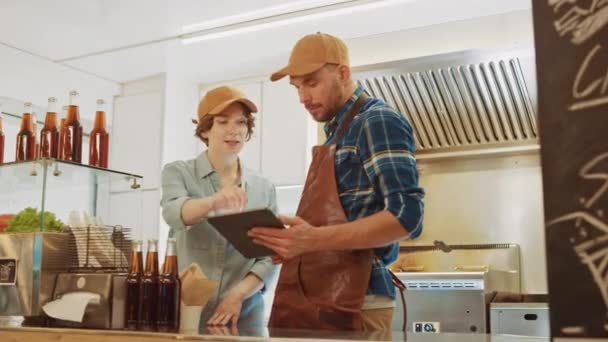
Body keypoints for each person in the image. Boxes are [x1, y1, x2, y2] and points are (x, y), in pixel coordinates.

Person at [248, 32, 425, 331]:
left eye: (312, 83)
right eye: (297, 86)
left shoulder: (376, 120)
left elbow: (407, 217)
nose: (303, 97)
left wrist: (312, 239)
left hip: (359, 302)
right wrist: (295, 245)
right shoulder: (337, 131)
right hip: (325, 299)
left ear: (342, 73)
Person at [161, 85, 278, 329]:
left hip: (244, 312)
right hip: (186, 309)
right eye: (223, 122)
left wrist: (237, 296)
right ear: (205, 130)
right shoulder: (178, 172)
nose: (234, 131)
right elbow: (174, 214)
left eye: (241, 122)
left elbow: (269, 255)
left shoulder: (263, 187)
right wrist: (214, 201)